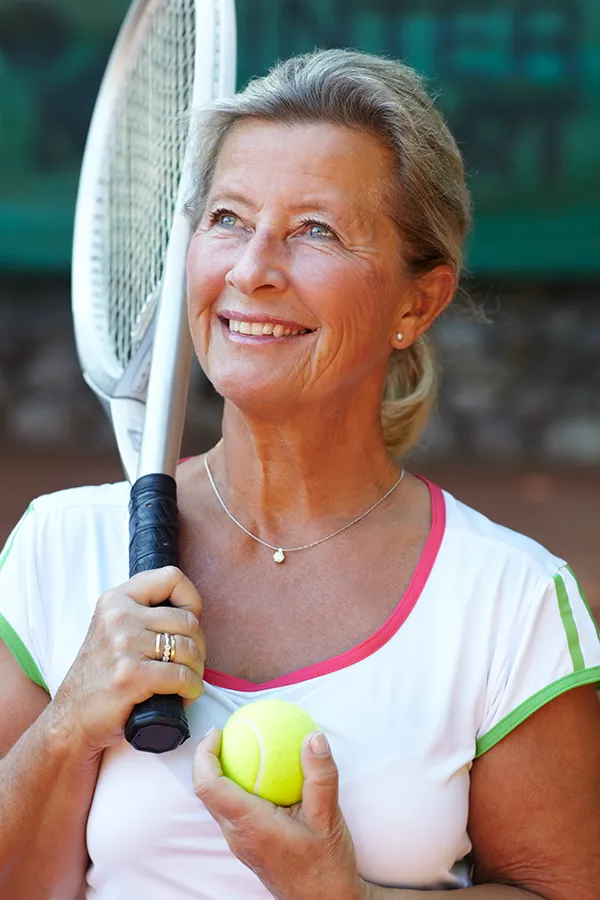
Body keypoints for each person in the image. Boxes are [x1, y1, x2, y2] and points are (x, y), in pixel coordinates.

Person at [0, 48, 598, 900]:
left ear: (416, 303)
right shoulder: (59, 548)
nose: (252, 269)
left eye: (315, 230)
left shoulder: (512, 602)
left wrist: (339, 893)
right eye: (228, 219)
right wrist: (66, 728)